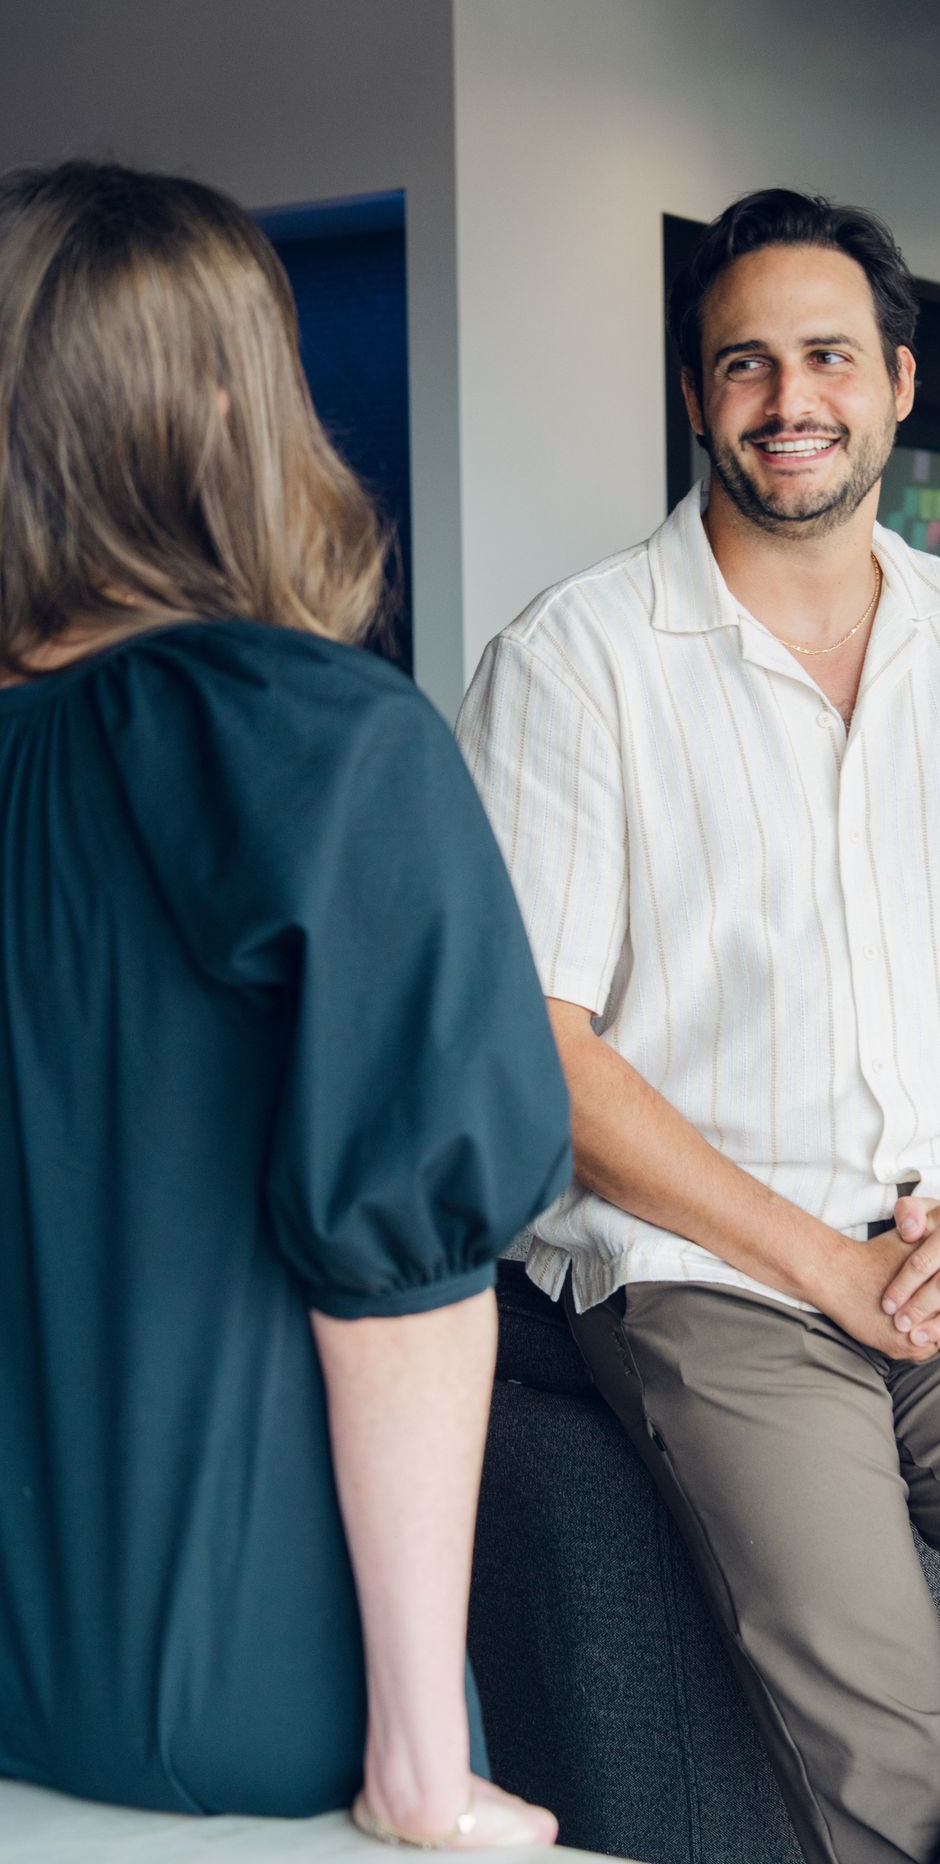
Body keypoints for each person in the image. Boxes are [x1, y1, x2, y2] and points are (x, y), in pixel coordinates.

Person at [457, 189, 940, 1864]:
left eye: (826, 357)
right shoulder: (573, 661)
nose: (787, 398)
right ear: (695, 397)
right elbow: (540, 1048)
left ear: (895, 382)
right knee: (885, 1761)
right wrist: (827, 1265)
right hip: (714, 1282)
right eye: (744, 363)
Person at [0, 161, 567, 1852]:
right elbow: (401, 1287)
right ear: (232, 407)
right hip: (240, 1694)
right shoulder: (321, 744)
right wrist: (421, 1762)